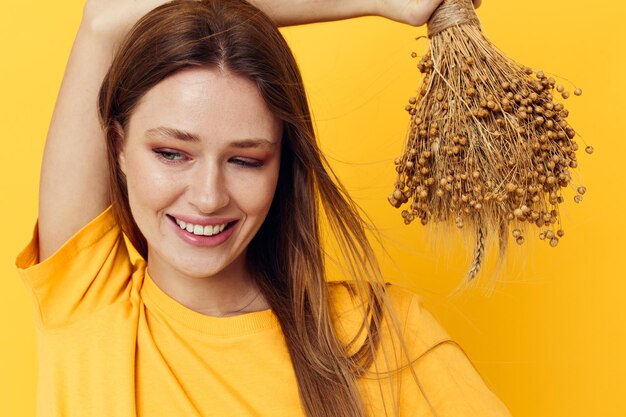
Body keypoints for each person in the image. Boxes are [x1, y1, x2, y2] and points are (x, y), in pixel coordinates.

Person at [16, 0, 509, 416]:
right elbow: (109, 14)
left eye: (246, 160)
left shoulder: (384, 336)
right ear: (119, 148)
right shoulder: (84, 307)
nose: (208, 197)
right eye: (172, 153)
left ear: (280, 165)